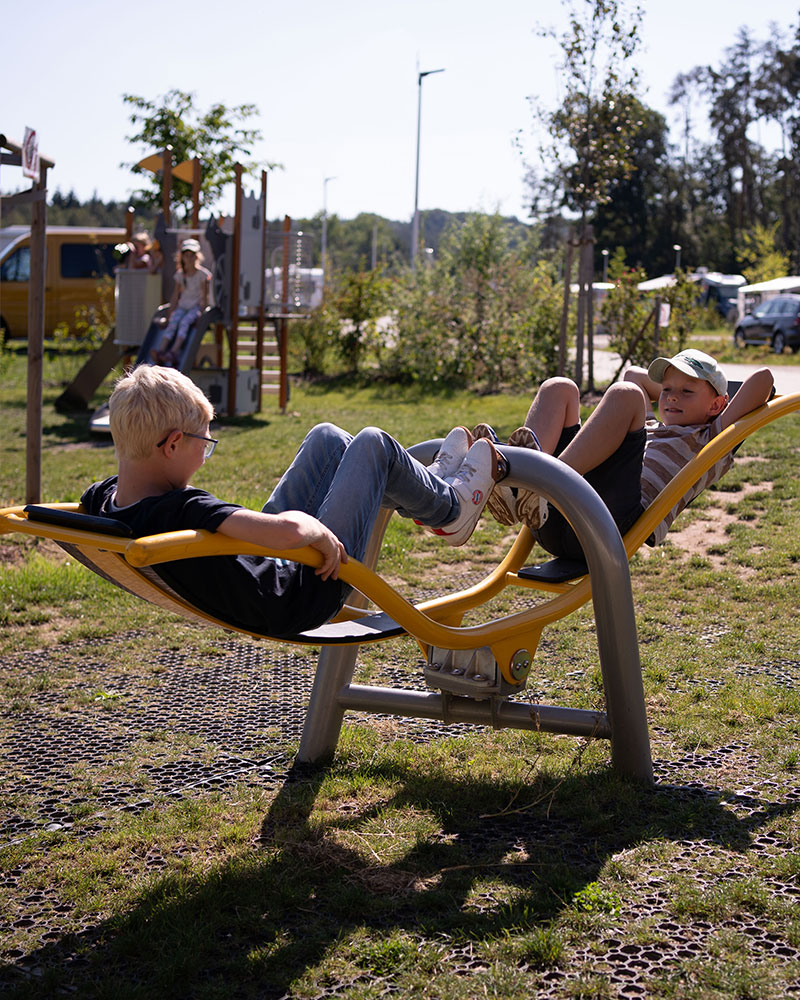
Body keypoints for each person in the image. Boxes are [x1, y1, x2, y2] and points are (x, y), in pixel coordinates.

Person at [80, 366, 502, 638]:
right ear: (173, 444)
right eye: (204, 443)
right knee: (373, 443)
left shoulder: (102, 499)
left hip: (264, 570)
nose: (207, 451)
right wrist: (314, 528)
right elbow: (290, 532)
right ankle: (450, 509)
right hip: (301, 590)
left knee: (329, 437)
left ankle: (427, 486)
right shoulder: (181, 508)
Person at [473, 349, 774, 560]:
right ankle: (520, 485)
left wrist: (704, 399)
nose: (670, 397)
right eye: (667, 388)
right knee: (559, 387)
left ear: (716, 405)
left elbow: (764, 379)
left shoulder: (710, 438)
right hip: (552, 520)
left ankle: (537, 479)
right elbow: (634, 374)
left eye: (687, 392)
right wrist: (682, 385)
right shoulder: (651, 426)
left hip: (607, 528)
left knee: (626, 394)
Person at [151, 239, 212, 367]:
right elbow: (175, 296)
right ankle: (161, 350)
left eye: (192, 256)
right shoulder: (180, 275)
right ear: (182, 257)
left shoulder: (202, 274)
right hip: (183, 305)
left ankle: (174, 351)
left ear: (197, 257)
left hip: (194, 307)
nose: (189, 259)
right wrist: (169, 314)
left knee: (184, 323)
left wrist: (202, 313)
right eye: (186, 256)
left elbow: (204, 295)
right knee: (174, 322)